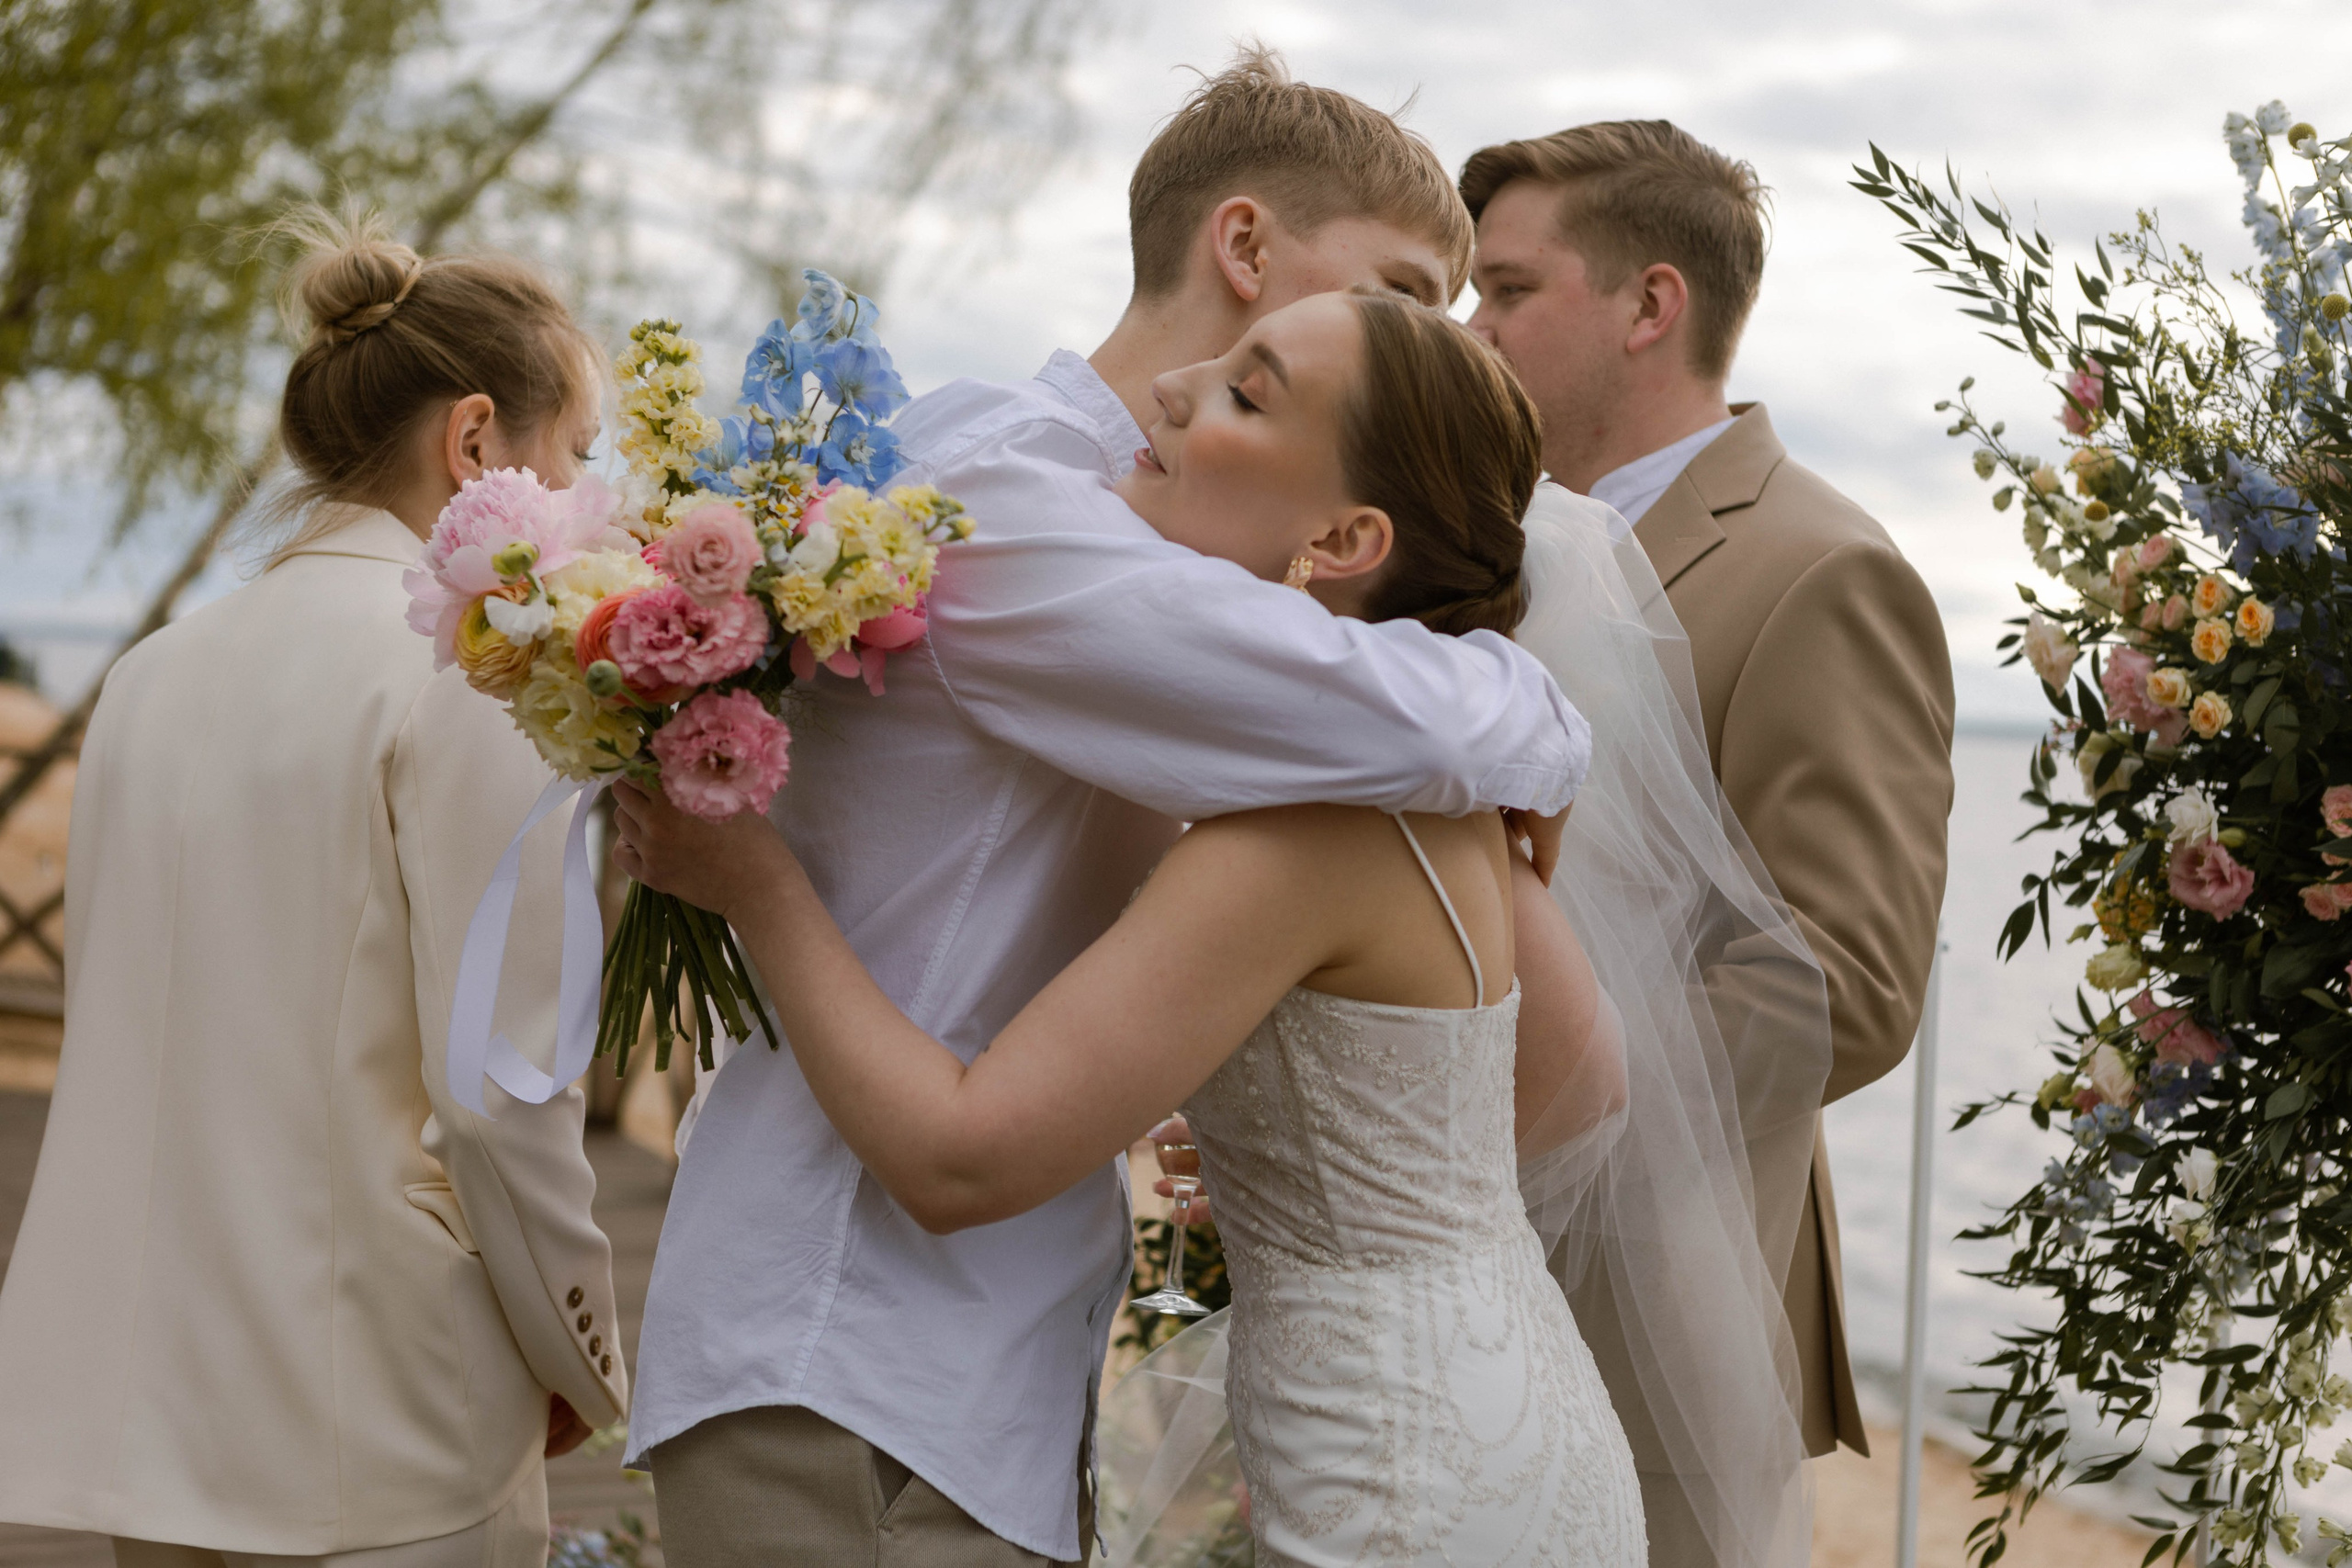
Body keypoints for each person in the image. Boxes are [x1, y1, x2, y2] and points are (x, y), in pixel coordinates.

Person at [625, 51, 1593, 1568]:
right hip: (855, 1336)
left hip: (948, 1355)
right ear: (1248, 247)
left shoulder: (1041, 500)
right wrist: (1545, 732)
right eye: (1405, 289)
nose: (1429, 337)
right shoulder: (1013, 515)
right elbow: (1387, 704)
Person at [0, 214, 627, 1567]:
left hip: (145, 1416)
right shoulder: (476, 675)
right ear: (476, 445)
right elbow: (499, 1093)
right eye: (577, 452)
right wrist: (575, 1350)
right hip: (382, 1417)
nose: (593, 498)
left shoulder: (150, 674)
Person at [1462, 118, 1957, 1493]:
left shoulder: (1822, 569)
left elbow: (1844, 980)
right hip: (1451, 1292)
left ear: (1650, 305)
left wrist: (1491, 1122)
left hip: (1663, 1310)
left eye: (1506, 289)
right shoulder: (1484, 553)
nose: (1469, 322)